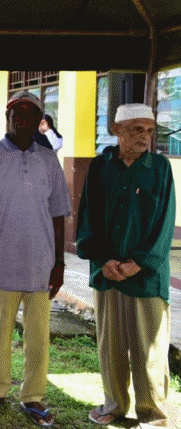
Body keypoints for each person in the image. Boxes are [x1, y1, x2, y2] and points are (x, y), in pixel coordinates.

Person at [0, 90, 71, 428]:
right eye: (16, 112)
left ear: (38, 120)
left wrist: (59, 263)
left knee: (39, 335)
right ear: (8, 118)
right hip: (1, 262)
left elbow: (57, 215)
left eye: (29, 112)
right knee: (0, 332)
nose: (21, 118)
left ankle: (33, 396)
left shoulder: (49, 160)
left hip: (41, 263)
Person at [76, 103, 174, 428]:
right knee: (111, 347)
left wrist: (138, 263)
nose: (145, 137)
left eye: (149, 130)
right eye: (137, 130)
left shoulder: (159, 168)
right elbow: (87, 217)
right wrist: (103, 260)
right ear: (116, 131)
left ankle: (153, 416)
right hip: (108, 275)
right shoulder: (100, 167)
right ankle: (114, 405)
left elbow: (163, 224)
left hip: (145, 278)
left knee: (150, 352)